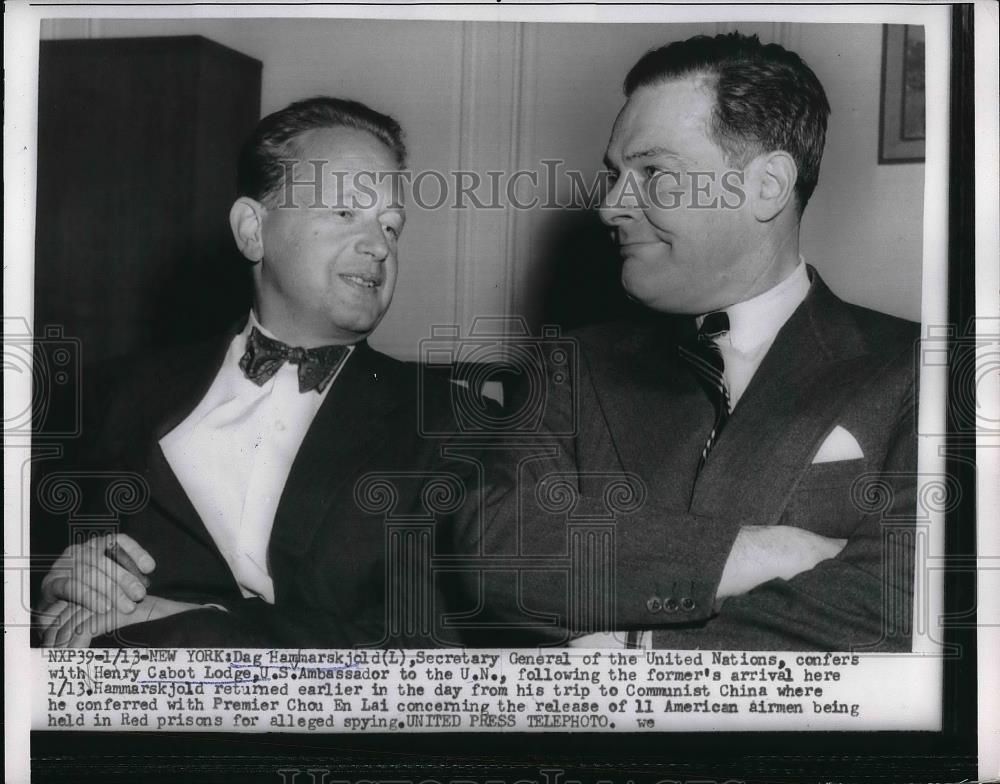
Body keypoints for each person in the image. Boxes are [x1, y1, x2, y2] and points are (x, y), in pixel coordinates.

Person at [474, 33, 917, 651]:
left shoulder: (922, 368)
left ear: (765, 187)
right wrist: (762, 552)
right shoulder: (569, 364)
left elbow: (903, 603)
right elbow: (498, 550)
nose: (609, 207)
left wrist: (641, 650)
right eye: (616, 175)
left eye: (653, 172)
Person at [35, 97, 473, 648]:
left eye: (392, 226)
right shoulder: (111, 394)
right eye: (344, 212)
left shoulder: (453, 424)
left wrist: (208, 626)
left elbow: (441, 653)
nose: (378, 245)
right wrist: (53, 590)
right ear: (252, 230)